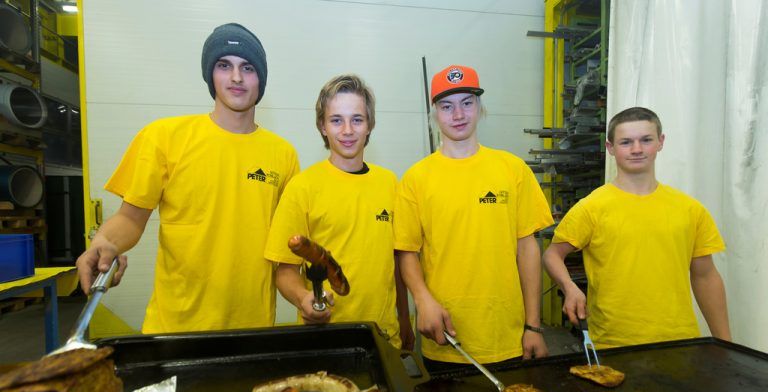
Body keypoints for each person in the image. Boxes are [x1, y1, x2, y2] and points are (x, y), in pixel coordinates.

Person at [75, 23, 299, 333]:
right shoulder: (164, 137)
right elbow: (131, 218)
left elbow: (287, 243)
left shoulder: (283, 154)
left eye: (247, 68)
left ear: (261, 78)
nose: (236, 77)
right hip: (175, 326)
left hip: (253, 327)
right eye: (224, 66)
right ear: (210, 74)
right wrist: (103, 243)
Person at [394, 65, 554, 370]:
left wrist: (533, 326)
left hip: (508, 337)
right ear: (434, 114)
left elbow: (528, 249)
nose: (458, 115)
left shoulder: (512, 169)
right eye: (447, 106)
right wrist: (423, 300)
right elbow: (407, 252)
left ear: (480, 108)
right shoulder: (416, 179)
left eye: (467, 103)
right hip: (445, 338)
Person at [542, 106, 731, 348]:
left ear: (660, 142)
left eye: (646, 140)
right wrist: (569, 287)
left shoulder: (690, 209)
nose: (637, 149)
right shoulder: (591, 208)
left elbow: (705, 276)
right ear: (610, 148)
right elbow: (552, 255)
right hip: (613, 344)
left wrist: (726, 344)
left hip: (680, 341)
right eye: (626, 142)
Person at [263, 74, 413, 349]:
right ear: (322, 126)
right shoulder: (303, 187)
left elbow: (396, 264)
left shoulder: (390, 183)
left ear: (370, 125)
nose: (347, 130)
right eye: (336, 120)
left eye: (357, 119)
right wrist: (302, 299)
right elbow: (284, 271)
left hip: (383, 340)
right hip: (324, 342)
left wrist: (405, 320)